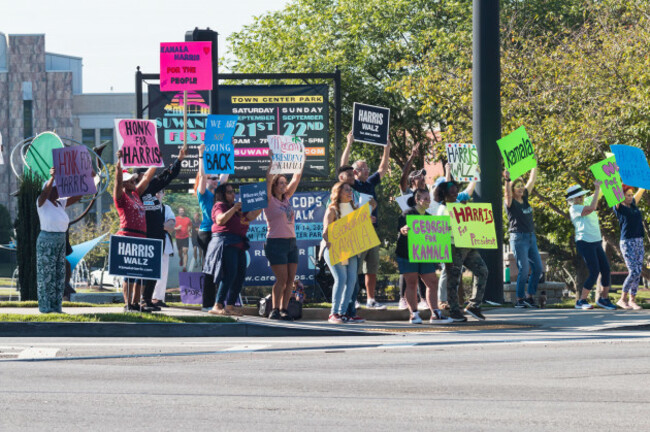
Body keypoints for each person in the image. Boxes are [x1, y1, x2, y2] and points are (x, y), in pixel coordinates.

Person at [341, 130, 391, 309]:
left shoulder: (370, 183)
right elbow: (342, 166)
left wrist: (387, 148)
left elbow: (383, 169)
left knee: (372, 267)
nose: (367, 170)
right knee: (354, 268)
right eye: (363, 168)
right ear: (355, 171)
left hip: (371, 231)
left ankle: (371, 300)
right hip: (356, 232)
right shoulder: (352, 183)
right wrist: (349, 144)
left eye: (367, 167)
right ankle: (352, 298)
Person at [203, 183, 262, 315]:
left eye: (233, 191)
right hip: (226, 242)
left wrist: (261, 203)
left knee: (239, 275)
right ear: (222, 194)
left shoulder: (238, 207)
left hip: (239, 243)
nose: (233, 194)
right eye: (229, 192)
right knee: (229, 274)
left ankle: (229, 306)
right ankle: (217, 305)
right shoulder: (219, 205)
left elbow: (251, 216)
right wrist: (233, 209)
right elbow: (220, 220)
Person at [396, 188, 453, 324]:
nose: (428, 201)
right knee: (412, 283)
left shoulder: (429, 217)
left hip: (425, 254)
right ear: (417, 200)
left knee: (432, 282)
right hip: (407, 254)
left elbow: (433, 237)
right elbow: (401, 229)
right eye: (425, 199)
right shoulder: (407, 214)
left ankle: (436, 314)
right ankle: (414, 314)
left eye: (429, 199)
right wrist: (403, 230)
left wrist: (443, 232)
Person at [139, 146, 185, 311]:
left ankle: (148, 299)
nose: (148, 178)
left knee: (154, 270)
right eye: (144, 176)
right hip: (143, 236)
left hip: (157, 236)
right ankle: (138, 300)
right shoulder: (135, 192)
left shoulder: (152, 189)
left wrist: (178, 160)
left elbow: (167, 176)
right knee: (141, 270)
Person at [435, 180, 488, 321]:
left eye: (456, 188)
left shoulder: (460, 204)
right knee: (453, 278)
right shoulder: (441, 211)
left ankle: (474, 305)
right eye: (451, 189)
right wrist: (445, 257)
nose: (455, 191)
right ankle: (454, 310)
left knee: (482, 271)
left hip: (468, 245)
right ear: (444, 193)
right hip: (453, 247)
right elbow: (441, 236)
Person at [36, 167, 83, 313]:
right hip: (47, 241)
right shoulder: (42, 202)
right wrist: (53, 178)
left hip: (60, 241)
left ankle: (56, 306)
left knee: (58, 274)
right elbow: (44, 193)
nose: (58, 191)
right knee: (46, 275)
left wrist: (83, 177)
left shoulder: (60, 203)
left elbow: (79, 195)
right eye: (55, 189)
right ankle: (45, 307)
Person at [114, 150, 156, 312]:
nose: (133, 180)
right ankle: (127, 304)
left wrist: (156, 162)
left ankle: (136, 304)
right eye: (130, 180)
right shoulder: (121, 197)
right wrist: (119, 163)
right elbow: (117, 183)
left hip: (141, 237)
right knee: (129, 273)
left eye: (132, 180)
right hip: (127, 236)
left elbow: (146, 178)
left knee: (140, 273)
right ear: (125, 184)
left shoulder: (136, 194)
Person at [264, 154, 304, 320]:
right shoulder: (269, 200)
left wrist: (302, 159)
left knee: (290, 280)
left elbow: (297, 177)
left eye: (284, 183)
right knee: (282, 279)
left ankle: (284, 309)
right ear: (274, 186)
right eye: (280, 183)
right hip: (276, 243)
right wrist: (272, 163)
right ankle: (274, 309)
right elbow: (267, 179)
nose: (284, 185)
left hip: (291, 243)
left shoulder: (287, 199)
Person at [567, 181, 616, 310]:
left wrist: (611, 174)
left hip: (596, 242)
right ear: (572, 199)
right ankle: (581, 301)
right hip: (584, 242)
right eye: (578, 196)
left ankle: (603, 299)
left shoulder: (587, 201)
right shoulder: (574, 209)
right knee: (594, 271)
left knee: (605, 270)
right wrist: (596, 188)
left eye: (581, 196)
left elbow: (601, 191)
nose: (581, 198)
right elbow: (591, 208)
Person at [322, 182, 362, 323]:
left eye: (350, 190)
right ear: (338, 193)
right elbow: (325, 231)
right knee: (341, 279)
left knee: (351, 281)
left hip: (351, 250)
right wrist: (329, 240)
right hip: (336, 249)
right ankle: (334, 313)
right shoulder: (332, 209)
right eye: (346, 190)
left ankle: (344, 313)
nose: (350, 192)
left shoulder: (354, 208)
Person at [503, 168, 543, 308]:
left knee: (538, 268)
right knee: (524, 269)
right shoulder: (510, 203)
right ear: (513, 189)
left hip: (531, 237)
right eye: (517, 186)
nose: (520, 188)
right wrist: (508, 180)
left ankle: (529, 296)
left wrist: (534, 166)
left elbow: (532, 180)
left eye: (522, 186)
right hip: (518, 238)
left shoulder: (525, 198)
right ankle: (519, 299)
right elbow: (507, 195)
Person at [195, 143, 229, 281]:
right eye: (213, 178)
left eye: (216, 178)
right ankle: (208, 299)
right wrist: (201, 155)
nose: (216, 180)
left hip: (218, 231)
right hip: (206, 232)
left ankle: (218, 299)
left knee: (220, 265)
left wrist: (230, 149)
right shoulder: (202, 192)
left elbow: (225, 172)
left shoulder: (217, 191)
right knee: (209, 265)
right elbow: (202, 176)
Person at [613, 185, 645, 310]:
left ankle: (632, 300)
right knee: (634, 271)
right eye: (628, 195)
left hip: (639, 241)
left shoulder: (633, 206)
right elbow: (615, 195)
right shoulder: (619, 207)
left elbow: (640, 192)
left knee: (638, 273)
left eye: (632, 195)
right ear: (622, 196)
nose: (631, 197)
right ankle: (622, 299)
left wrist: (643, 185)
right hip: (627, 242)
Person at [152, 190, 175, 307]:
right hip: (150, 241)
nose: (157, 194)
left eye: (160, 192)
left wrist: (156, 226)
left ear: (163, 194)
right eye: (156, 191)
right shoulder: (148, 206)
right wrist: (162, 226)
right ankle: (146, 297)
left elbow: (171, 226)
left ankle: (158, 298)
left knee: (163, 271)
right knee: (150, 270)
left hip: (164, 242)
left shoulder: (166, 208)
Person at [175, 206, 192, 271]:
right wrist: (176, 228)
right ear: (178, 211)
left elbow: (190, 225)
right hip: (178, 237)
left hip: (185, 237)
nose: (181, 211)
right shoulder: (175, 219)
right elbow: (171, 227)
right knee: (180, 252)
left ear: (184, 212)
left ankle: (184, 266)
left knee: (185, 251)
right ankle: (181, 258)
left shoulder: (188, 219)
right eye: (180, 210)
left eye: (182, 210)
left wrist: (189, 231)